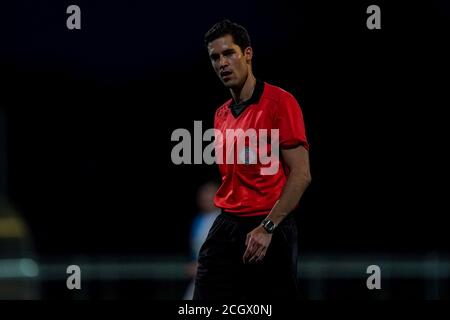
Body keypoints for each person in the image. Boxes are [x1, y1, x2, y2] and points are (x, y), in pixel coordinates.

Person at [193, 20, 312, 300]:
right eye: (215, 57)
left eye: (229, 53)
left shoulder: (281, 103)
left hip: (270, 226)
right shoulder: (220, 115)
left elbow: (302, 174)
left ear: (247, 53)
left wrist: (268, 227)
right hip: (226, 227)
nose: (222, 62)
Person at [183, 181, 220, 300]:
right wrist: (194, 263)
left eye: (208, 193)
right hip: (201, 276)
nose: (205, 197)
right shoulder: (198, 221)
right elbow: (196, 249)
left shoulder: (224, 220)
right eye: (202, 194)